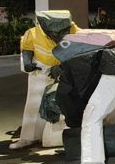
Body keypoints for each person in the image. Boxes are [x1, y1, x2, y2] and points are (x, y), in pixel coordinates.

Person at [45, 30, 115, 164]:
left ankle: (92, 162)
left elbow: (80, 84)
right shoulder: (80, 42)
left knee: (91, 116)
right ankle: (113, 148)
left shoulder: (70, 53)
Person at [10, 10, 79, 150]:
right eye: (54, 33)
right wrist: (28, 62)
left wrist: (62, 66)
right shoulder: (33, 33)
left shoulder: (75, 31)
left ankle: (64, 137)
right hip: (40, 70)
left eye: (62, 32)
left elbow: (80, 49)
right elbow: (27, 48)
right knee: (34, 104)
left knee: (64, 103)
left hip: (65, 69)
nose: (58, 36)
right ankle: (29, 137)